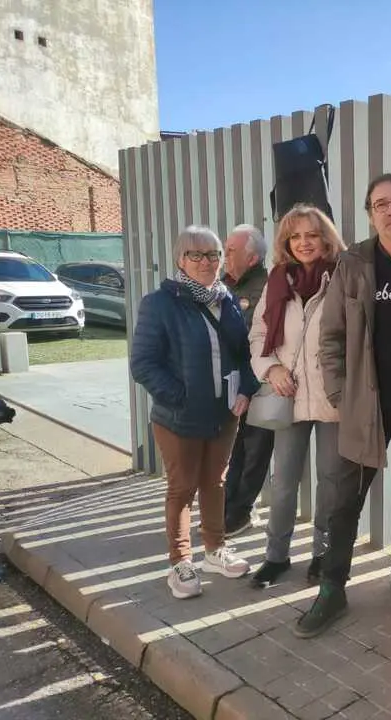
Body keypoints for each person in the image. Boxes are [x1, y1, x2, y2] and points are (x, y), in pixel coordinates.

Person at [292, 173, 391, 639]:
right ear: (370, 214)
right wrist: (339, 395)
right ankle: (333, 588)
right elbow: (329, 335)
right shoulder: (355, 263)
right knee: (344, 503)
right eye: (381, 205)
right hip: (364, 408)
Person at [130, 225, 259, 600]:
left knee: (215, 483)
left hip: (224, 413)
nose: (206, 262)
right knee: (182, 488)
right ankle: (180, 562)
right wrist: (182, 397)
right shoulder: (160, 303)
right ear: (180, 260)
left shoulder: (228, 300)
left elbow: (243, 353)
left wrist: (246, 389)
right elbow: (143, 364)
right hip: (179, 418)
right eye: (196, 255)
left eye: (214, 255)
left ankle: (214, 551)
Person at [248, 203, 346, 589]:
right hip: (286, 395)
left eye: (312, 234)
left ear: (326, 238)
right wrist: (270, 369)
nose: (304, 243)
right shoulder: (277, 282)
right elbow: (258, 334)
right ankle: (276, 556)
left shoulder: (342, 277)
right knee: (284, 480)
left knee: (331, 480)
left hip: (331, 395)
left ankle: (322, 555)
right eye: (295, 236)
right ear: (286, 243)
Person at [222, 224, 274, 537]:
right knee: (233, 449)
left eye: (231, 250)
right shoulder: (223, 285)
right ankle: (228, 507)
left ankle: (239, 512)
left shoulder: (268, 287)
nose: (224, 256)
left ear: (252, 258)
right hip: (230, 383)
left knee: (255, 451)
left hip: (259, 382)